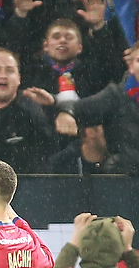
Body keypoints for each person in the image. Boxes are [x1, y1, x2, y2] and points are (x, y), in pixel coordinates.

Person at [55, 39, 139, 174]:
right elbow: (78, 108)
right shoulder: (116, 95)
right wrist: (67, 112)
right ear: (131, 66)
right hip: (126, 177)